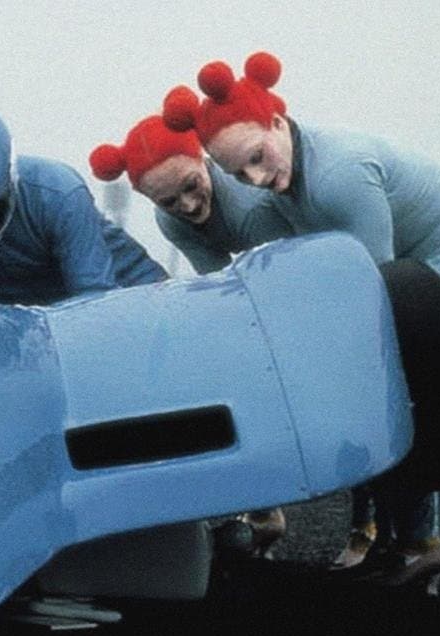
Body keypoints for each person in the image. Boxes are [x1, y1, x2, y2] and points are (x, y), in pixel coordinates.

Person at [163, 51, 440, 588]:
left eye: (257, 157)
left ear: (278, 122)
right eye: (239, 173)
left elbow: (377, 295)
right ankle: (396, 540)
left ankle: (417, 543)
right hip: (412, 269)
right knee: (373, 382)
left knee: (391, 375)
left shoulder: (338, 173)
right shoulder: (283, 180)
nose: (256, 177)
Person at [89, 114, 294, 557]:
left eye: (190, 185)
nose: (184, 204)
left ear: (203, 159)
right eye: (167, 201)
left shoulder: (251, 192)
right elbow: (223, 290)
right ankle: (262, 508)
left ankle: (381, 528)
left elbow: (287, 268)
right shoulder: (173, 223)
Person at [0, 100, 167, 306]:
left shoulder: (57, 194)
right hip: (19, 312)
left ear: (11, 183)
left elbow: (95, 300)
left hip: (125, 294)